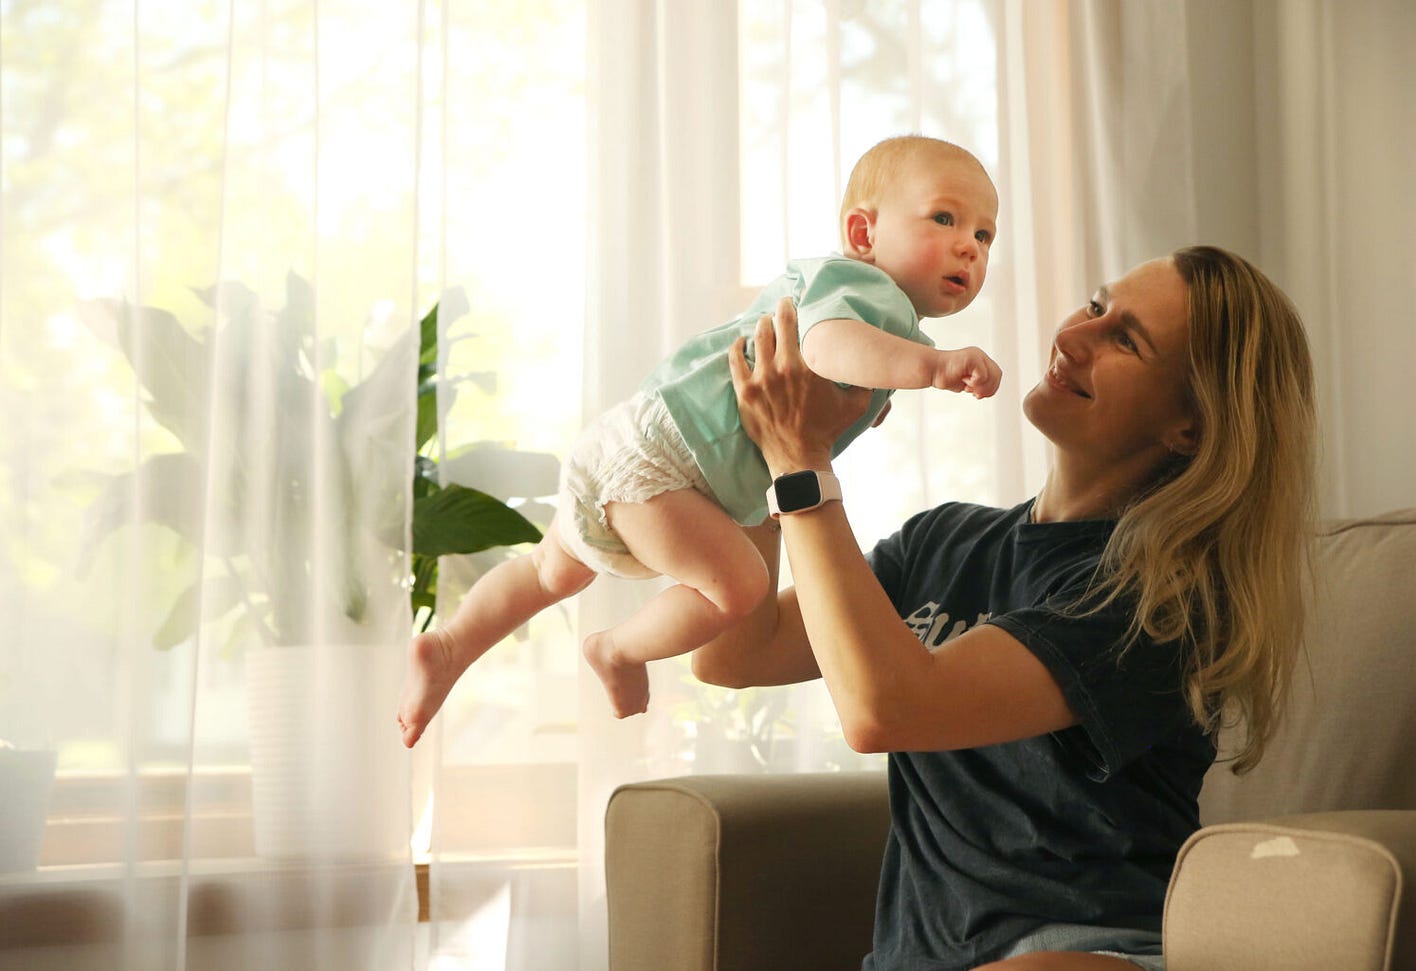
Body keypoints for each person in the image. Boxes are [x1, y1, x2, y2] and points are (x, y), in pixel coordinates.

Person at [695, 245, 1317, 970]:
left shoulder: (1163, 603)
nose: (1073, 337)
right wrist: (749, 448)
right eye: (1094, 306)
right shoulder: (944, 540)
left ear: (1190, 424)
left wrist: (800, 462)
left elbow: (884, 709)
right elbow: (732, 652)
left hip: (1094, 948)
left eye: (1124, 339)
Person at [398, 134, 1003, 746]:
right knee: (736, 587)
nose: (967, 247)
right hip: (668, 461)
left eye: (984, 237)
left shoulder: (881, 323)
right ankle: (618, 650)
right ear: (863, 233)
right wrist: (935, 368)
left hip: (638, 442)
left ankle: (451, 645)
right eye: (945, 218)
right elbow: (824, 345)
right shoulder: (862, 291)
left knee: (551, 571)